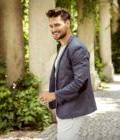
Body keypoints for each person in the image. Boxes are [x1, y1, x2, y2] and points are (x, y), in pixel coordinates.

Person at [39, 8, 97, 140]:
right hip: (65, 105)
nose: (53, 29)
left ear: (68, 23)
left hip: (73, 107)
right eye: (51, 26)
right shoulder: (63, 46)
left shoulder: (77, 47)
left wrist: (54, 95)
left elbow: (80, 82)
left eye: (57, 25)